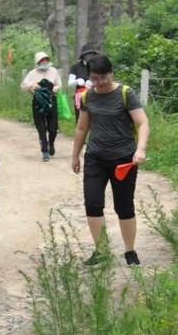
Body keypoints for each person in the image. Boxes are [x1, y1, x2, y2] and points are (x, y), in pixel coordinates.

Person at [71, 53, 149, 267]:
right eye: (95, 78)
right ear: (89, 78)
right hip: (95, 157)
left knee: (124, 206)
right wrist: (75, 155)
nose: (100, 83)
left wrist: (140, 149)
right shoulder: (87, 96)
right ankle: (101, 251)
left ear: (111, 73)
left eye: (103, 77)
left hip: (123, 159)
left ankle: (130, 251)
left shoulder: (125, 93)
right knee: (93, 203)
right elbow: (82, 127)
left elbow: (142, 123)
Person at [20, 51, 63, 161]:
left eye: (45, 60)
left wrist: (53, 89)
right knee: (41, 127)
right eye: (41, 61)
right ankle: (44, 151)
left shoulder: (53, 71)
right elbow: (23, 86)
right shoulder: (32, 73)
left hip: (51, 100)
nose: (44, 62)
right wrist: (33, 85)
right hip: (38, 102)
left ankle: (51, 143)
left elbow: (59, 84)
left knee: (53, 128)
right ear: (37, 62)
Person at [68, 43, 100, 122]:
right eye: (88, 54)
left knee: (96, 120)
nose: (90, 56)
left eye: (92, 54)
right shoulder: (76, 67)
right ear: (83, 55)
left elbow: (104, 79)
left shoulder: (98, 66)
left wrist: (94, 83)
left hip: (95, 96)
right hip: (80, 97)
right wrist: (77, 81)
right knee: (80, 120)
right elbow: (70, 83)